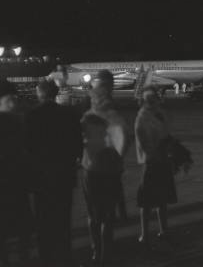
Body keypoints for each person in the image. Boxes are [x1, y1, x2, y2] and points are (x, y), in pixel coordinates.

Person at [25, 80, 82, 266]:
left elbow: (27, 148)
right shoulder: (68, 114)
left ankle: (46, 257)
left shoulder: (32, 115)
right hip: (63, 175)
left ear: (40, 94)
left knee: (43, 220)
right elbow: (77, 145)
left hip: (41, 176)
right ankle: (64, 255)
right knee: (62, 219)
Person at [0, 80, 33, 265]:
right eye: (10, 98)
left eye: (14, 97)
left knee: (13, 218)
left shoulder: (10, 119)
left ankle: (16, 256)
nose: (14, 101)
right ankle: (12, 257)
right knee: (9, 218)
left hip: (11, 176)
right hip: (6, 176)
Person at [83, 70, 129, 221]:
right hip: (104, 158)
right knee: (113, 186)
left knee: (98, 203)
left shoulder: (94, 109)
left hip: (95, 162)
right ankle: (118, 212)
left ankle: (115, 213)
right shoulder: (109, 107)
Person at [135, 86, 177, 246]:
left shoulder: (158, 114)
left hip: (160, 159)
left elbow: (166, 135)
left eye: (154, 99)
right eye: (150, 99)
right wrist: (154, 153)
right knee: (147, 201)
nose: (153, 102)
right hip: (151, 161)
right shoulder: (143, 117)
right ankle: (145, 233)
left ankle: (163, 230)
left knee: (162, 199)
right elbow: (143, 141)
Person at [81, 114, 123, 265]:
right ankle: (106, 251)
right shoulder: (110, 122)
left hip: (91, 171)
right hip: (107, 171)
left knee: (93, 213)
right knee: (107, 213)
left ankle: (97, 250)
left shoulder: (85, 123)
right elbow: (122, 142)